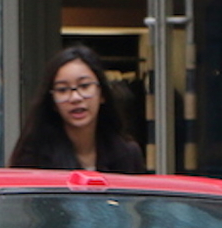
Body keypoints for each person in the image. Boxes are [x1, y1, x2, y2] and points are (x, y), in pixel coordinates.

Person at [9, 45, 145, 173]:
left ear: (102, 93)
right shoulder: (33, 158)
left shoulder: (127, 154)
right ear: (53, 102)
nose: (75, 97)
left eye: (84, 86)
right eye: (63, 89)